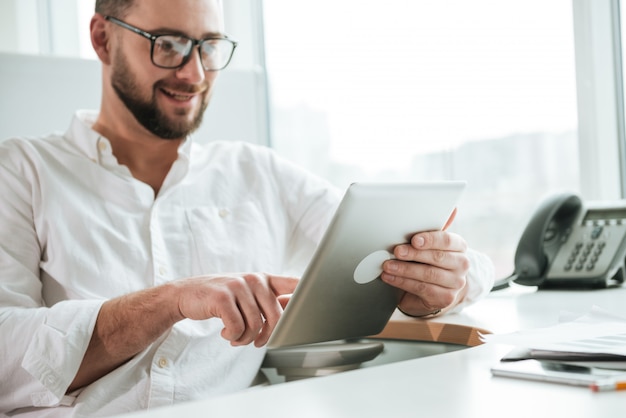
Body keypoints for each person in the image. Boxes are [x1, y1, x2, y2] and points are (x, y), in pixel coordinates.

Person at [0, 0, 494, 416]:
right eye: (167, 44)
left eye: (208, 47)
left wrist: (438, 282)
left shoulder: (257, 173)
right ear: (103, 39)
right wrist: (169, 302)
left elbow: (465, 266)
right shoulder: (22, 171)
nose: (193, 73)